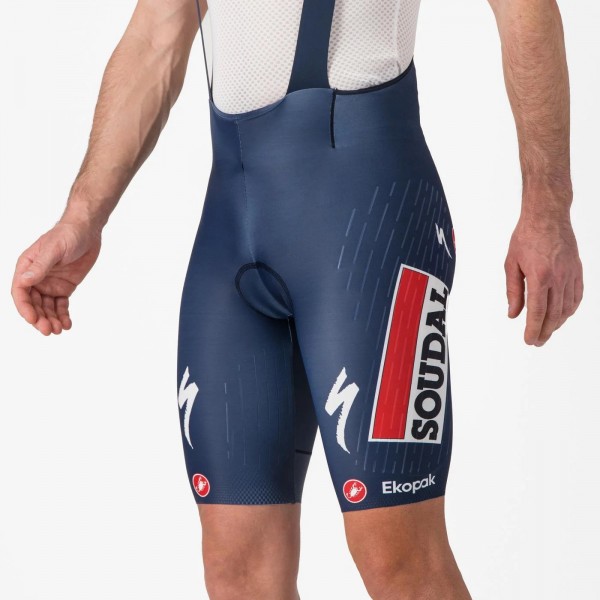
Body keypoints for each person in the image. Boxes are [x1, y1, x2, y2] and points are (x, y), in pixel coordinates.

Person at [10, 0, 583, 598]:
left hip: (368, 217)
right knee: (235, 568)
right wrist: (82, 215)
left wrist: (548, 207)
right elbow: (156, 35)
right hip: (232, 224)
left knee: (396, 558)